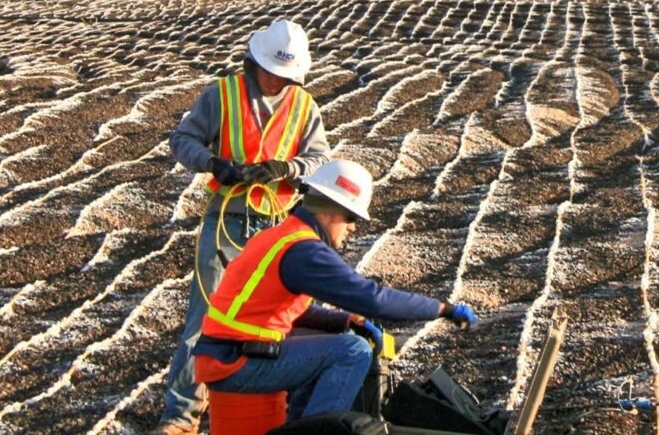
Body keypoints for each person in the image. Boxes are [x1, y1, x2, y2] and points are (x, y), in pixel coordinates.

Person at [192, 159, 477, 421]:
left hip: (227, 354)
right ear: (329, 209)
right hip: (235, 362)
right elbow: (372, 298)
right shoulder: (304, 251)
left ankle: (298, 426)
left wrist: (345, 321)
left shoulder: (280, 235)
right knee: (351, 351)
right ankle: (318, 431)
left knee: (337, 342)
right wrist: (443, 309)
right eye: (351, 217)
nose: (353, 228)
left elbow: (290, 311)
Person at [153, 20, 331, 435]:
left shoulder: (305, 107)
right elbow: (183, 140)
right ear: (254, 62)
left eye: (286, 76)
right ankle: (180, 418)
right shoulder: (222, 95)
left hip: (277, 223)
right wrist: (214, 164)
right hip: (227, 222)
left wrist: (284, 168)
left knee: (279, 318)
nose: (277, 81)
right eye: (271, 72)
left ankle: (272, 407)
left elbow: (320, 159)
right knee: (207, 318)